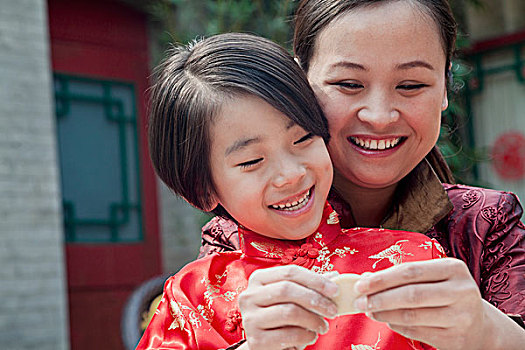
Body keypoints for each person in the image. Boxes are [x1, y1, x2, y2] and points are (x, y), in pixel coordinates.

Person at [199, 1, 525, 349]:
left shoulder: (487, 224)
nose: (379, 116)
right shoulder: (238, 235)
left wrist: (487, 330)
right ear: (300, 86)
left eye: (411, 85)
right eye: (349, 84)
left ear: (445, 86)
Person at [137, 32, 449, 350]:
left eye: (303, 139)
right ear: (203, 191)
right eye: (252, 160)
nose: (291, 174)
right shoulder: (191, 297)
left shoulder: (413, 260)